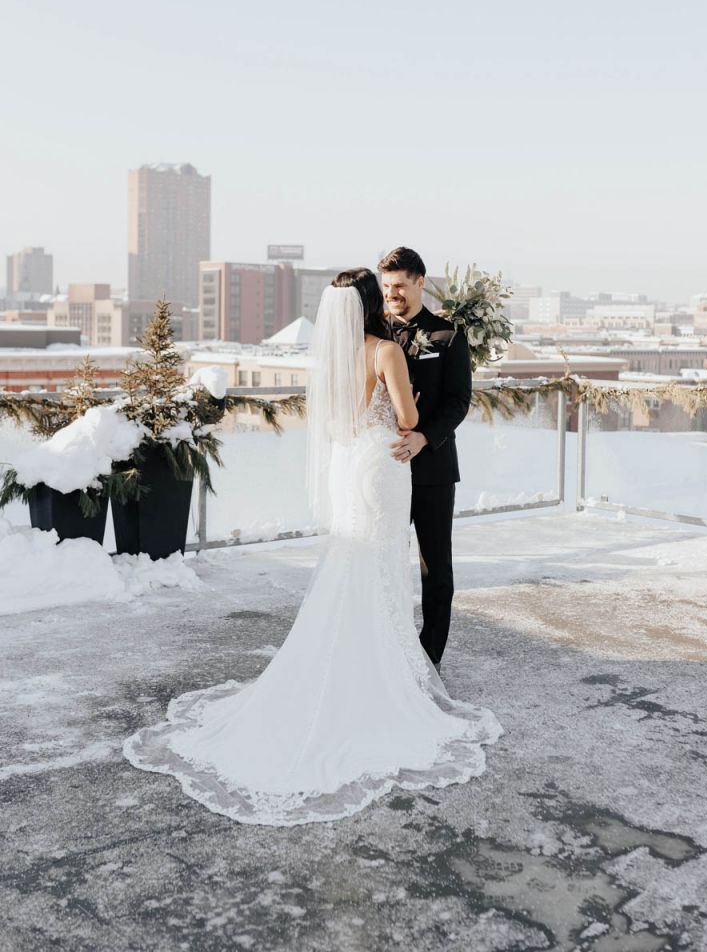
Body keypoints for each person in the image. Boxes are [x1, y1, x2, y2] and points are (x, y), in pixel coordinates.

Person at [123, 268, 501, 826]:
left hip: (353, 464)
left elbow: (345, 419)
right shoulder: (385, 352)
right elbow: (408, 418)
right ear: (375, 300)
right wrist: (412, 406)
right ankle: (385, 673)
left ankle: (360, 660)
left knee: (355, 561)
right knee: (380, 564)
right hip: (386, 465)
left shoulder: (335, 357)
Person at [378, 247, 471, 671]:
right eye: (386, 286)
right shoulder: (373, 333)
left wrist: (424, 438)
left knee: (436, 570)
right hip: (384, 468)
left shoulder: (448, 335)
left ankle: (428, 659)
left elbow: (459, 402)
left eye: (400, 285)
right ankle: (386, 649)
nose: (392, 293)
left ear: (420, 282)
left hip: (433, 469)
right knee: (382, 564)